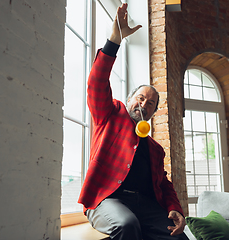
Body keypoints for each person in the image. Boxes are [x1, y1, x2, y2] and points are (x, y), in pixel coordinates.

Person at [78, 3, 188, 240]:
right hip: (107, 199)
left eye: (150, 104)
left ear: (152, 113)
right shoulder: (110, 114)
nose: (144, 105)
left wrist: (175, 208)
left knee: (179, 237)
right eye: (141, 98)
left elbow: (164, 184)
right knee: (126, 225)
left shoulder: (155, 149)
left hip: (146, 204)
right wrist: (114, 40)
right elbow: (96, 84)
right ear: (129, 100)